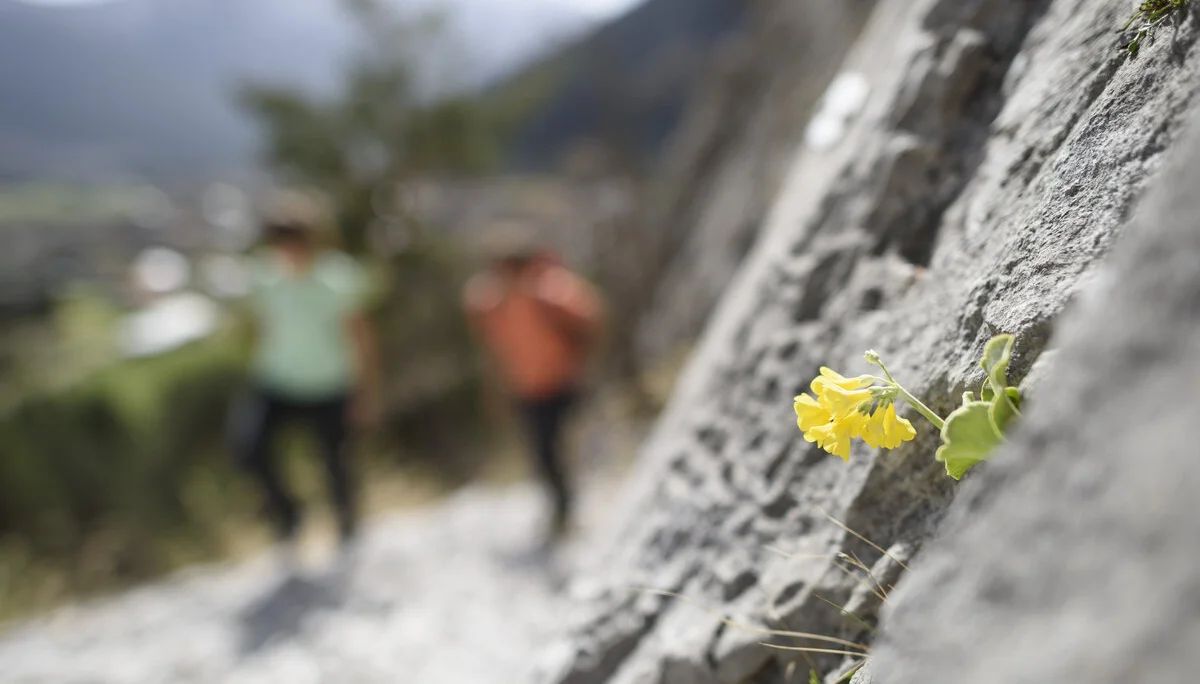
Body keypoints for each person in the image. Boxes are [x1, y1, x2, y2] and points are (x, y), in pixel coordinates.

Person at [231, 192, 380, 551]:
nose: (289, 252)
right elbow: (264, 325)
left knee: (336, 463)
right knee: (247, 448)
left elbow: (361, 338)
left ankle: (348, 529)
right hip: (277, 382)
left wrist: (366, 391)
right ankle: (289, 515)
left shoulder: (338, 278)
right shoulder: (263, 275)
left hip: (329, 385)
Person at [462, 223, 604, 542]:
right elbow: (494, 349)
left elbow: (589, 326)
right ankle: (562, 507)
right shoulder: (494, 303)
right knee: (543, 450)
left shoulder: (552, 292)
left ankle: (572, 503)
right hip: (526, 387)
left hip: (562, 381)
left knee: (559, 444)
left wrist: (578, 365)